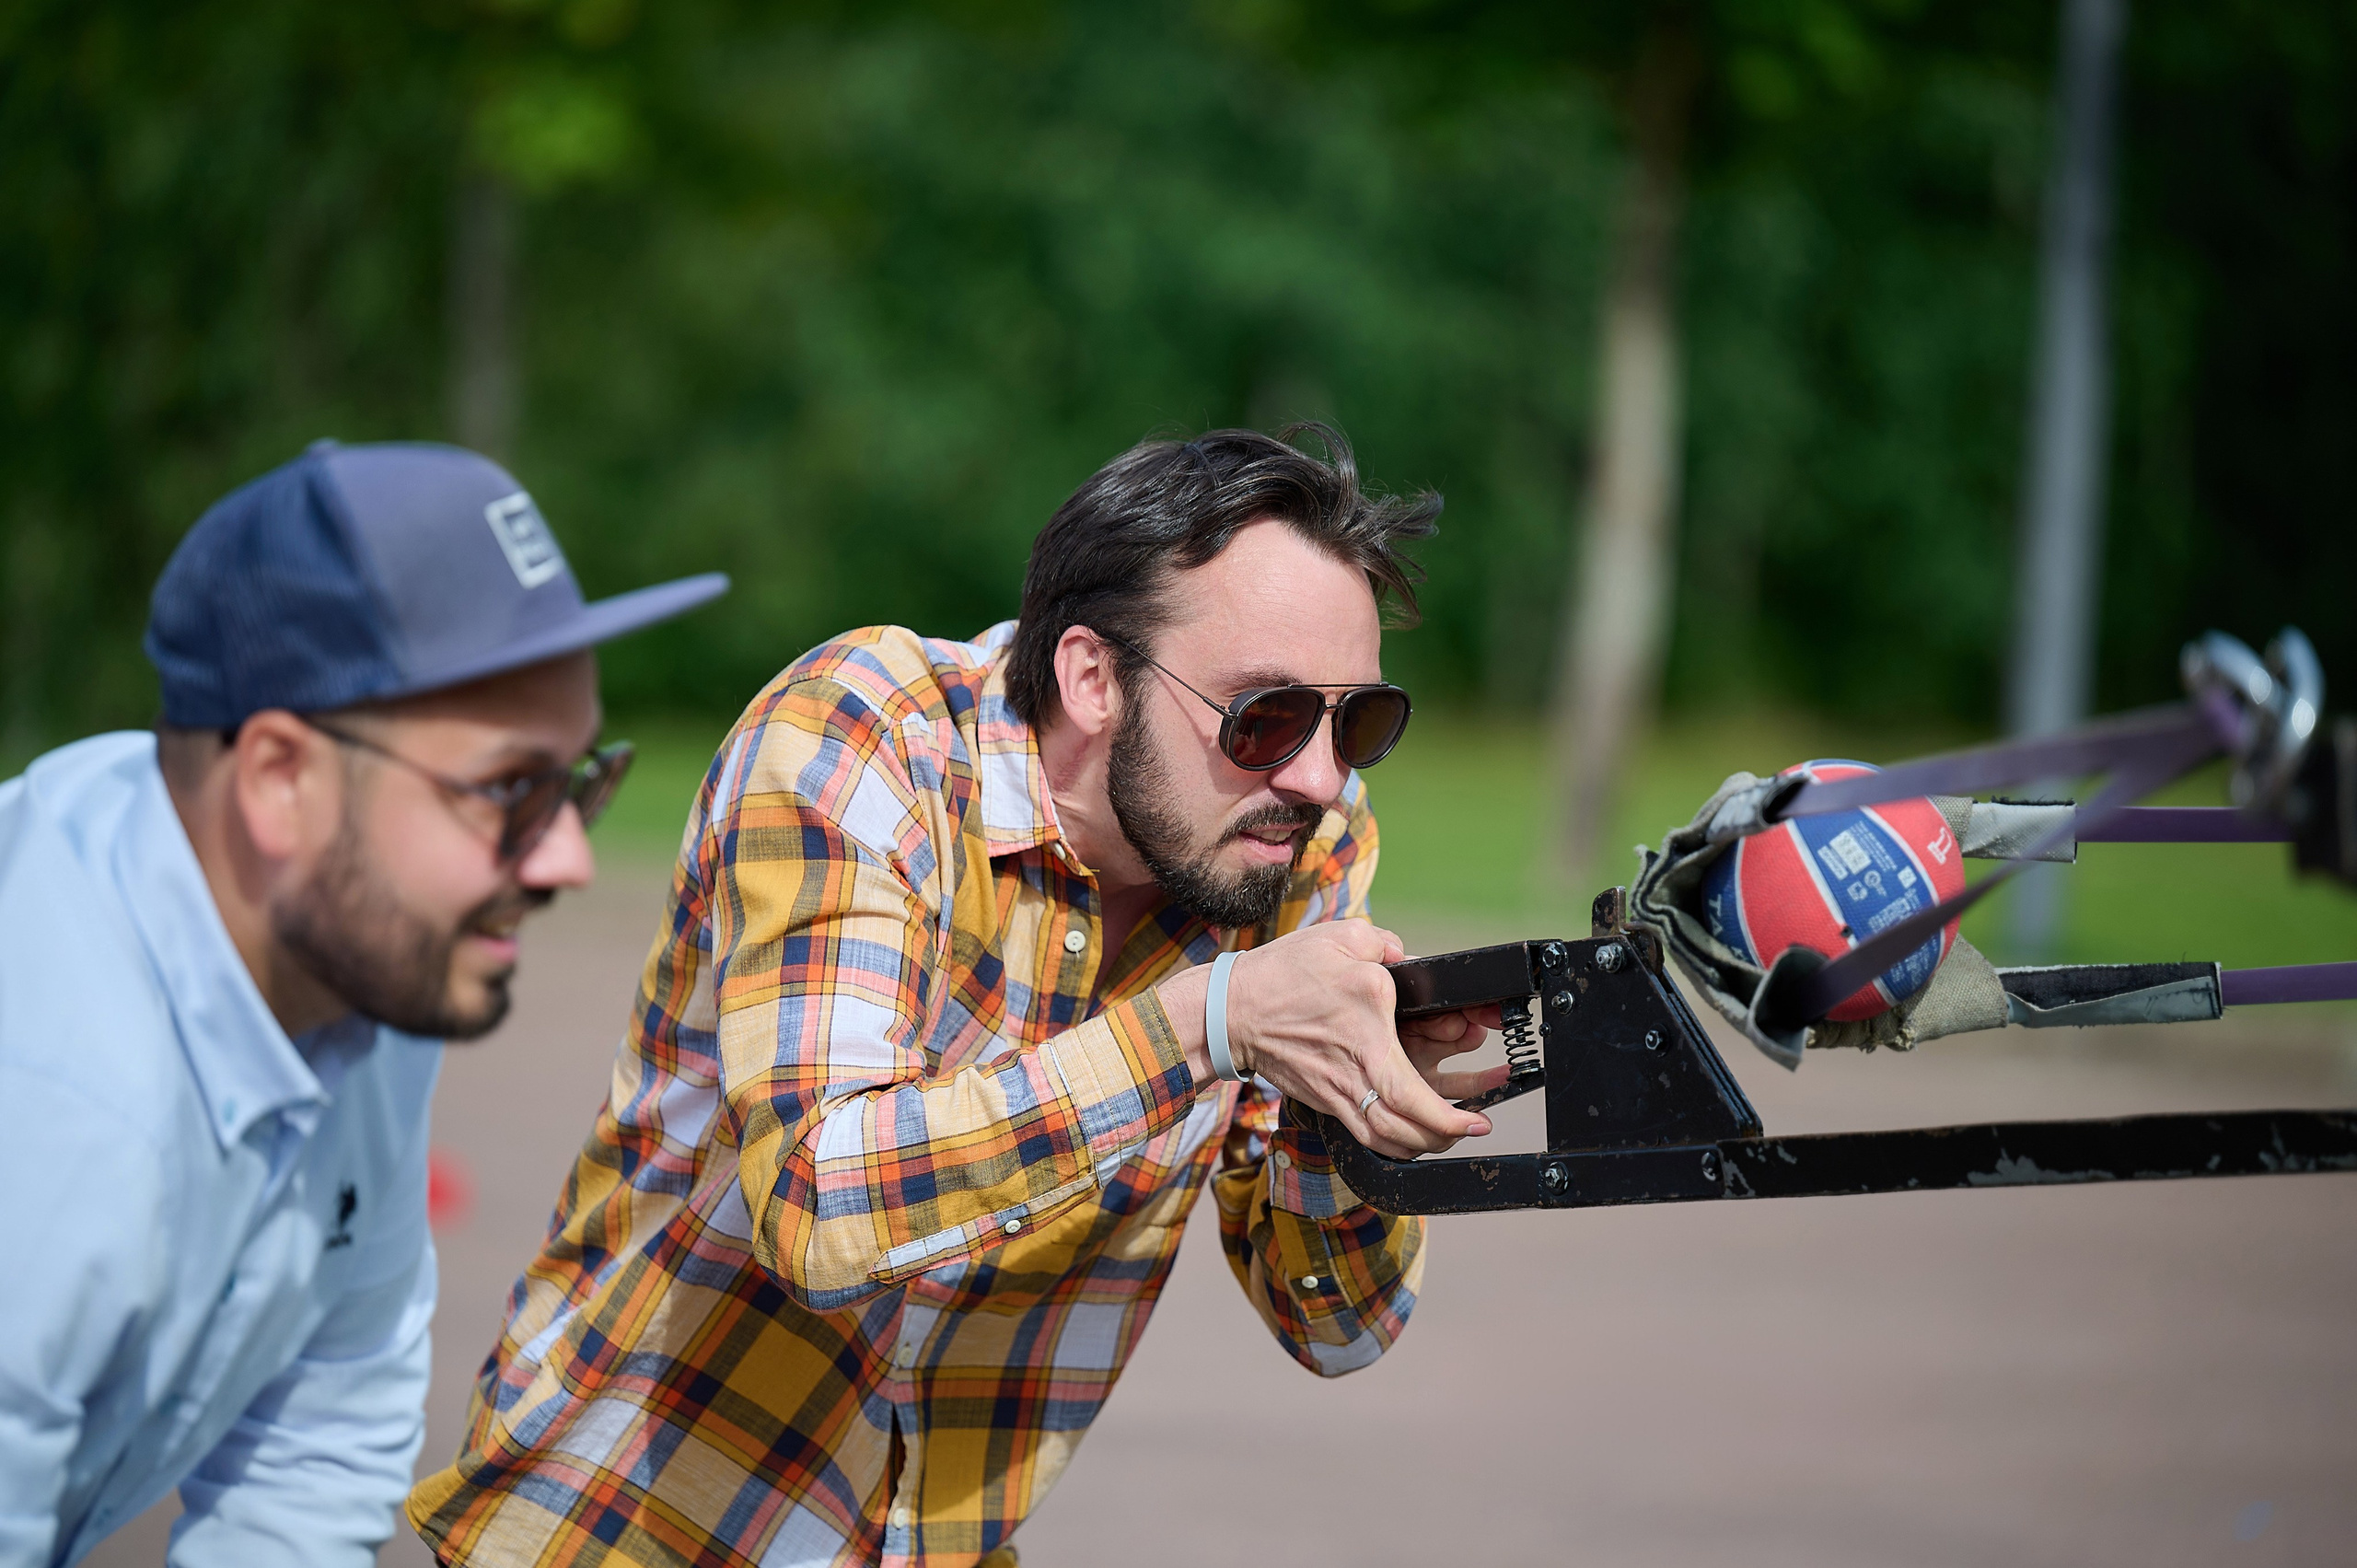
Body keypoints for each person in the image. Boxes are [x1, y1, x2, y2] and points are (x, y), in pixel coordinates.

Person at [408, 424, 1504, 1568]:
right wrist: (1206, 1022)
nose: (1320, 775)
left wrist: (1343, 1114)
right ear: (1090, 676)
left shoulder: (1293, 845)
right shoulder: (869, 732)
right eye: (1264, 717)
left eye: (1358, 721)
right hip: (619, 1536)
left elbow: (1338, 1326)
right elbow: (823, 1204)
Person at [0, 440, 726, 1566]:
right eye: (508, 789)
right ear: (280, 778)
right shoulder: (50, 1107)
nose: (568, 857)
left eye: (580, 781)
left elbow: (321, 1435)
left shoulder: (352, 975)